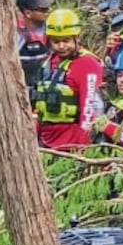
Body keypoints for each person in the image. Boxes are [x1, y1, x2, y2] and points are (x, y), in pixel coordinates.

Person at [32, 9, 104, 150]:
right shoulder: (48, 61)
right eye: (56, 41)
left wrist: (83, 147)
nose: (61, 46)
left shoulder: (87, 64)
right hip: (46, 141)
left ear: (76, 38)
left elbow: (89, 108)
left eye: (66, 40)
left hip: (72, 142)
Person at [15, 0, 55, 96]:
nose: (48, 11)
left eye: (48, 7)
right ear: (28, 13)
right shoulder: (16, 34)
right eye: (43, 9)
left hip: (48, 87)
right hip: (23, 91)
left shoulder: (52, 27)